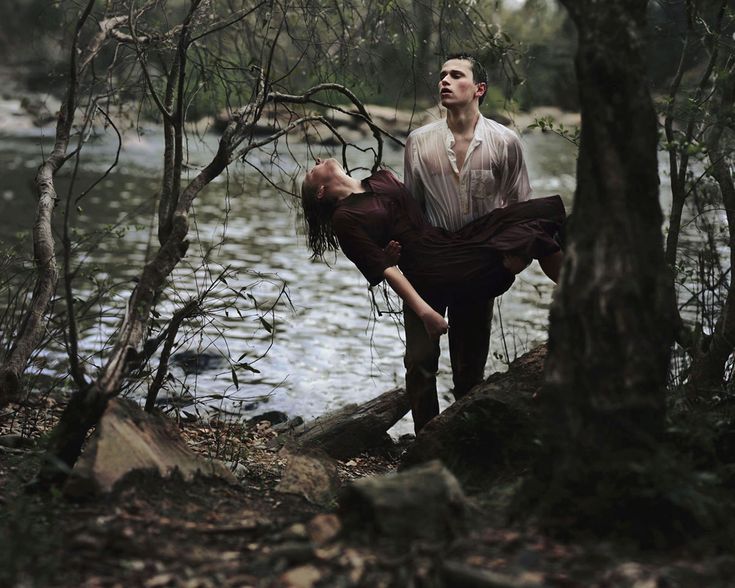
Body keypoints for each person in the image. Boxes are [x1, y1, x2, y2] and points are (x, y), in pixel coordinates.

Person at [300, 158, 564, 416]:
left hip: (447, 244)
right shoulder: (344, 218)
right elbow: (386, 269)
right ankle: (424, 439)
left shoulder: (381, 177)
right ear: (321, 191)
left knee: (538, 216)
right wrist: (425, 312)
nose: (319, 159)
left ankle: (580, 298)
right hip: (427, 270)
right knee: (420, 363)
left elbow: (427, 203)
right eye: (313, 169)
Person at [402, 52, 532, 432]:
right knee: (419, 361)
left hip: (480, 263)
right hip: (428, 259)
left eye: (455, 75)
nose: (443, 80)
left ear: (479, 89)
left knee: (469, 368)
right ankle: (425, 444)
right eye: (441, 74)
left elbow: (523, 208)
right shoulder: (418, 142)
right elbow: (410, 209)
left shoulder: (505, 142)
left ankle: (460, 445)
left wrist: (512, 262)